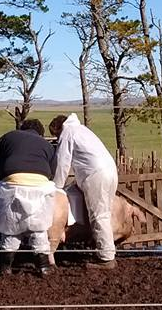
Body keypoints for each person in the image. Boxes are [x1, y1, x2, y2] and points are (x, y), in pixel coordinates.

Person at [49, 113, 118, 269]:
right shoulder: (81, 129)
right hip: (109, 171)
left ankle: (106, 258)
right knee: (102, 212)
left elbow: (62, 162)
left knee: (100, 215)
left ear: (58, 128)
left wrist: (56, 187)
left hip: (95, 174)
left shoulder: (67, 133)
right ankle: (104, 250)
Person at [0, 119, 56, 276]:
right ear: (40, 133)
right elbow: (53, 169)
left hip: (12, 184)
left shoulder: (8, 137)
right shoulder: (46, 145)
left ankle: (5, 266)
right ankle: (44, 266)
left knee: (10, 227)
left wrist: (4, 174)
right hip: (40, 187)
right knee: (39, 228)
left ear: (21, 128)